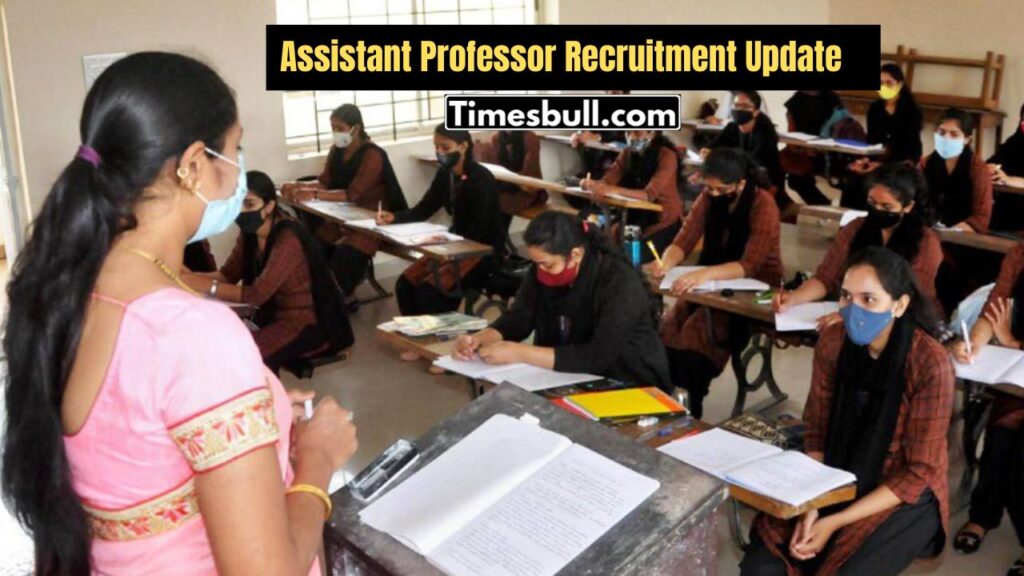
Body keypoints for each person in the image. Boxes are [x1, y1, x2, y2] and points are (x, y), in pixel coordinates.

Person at [1, 52, 357, 575]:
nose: (238, 169)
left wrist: (264, 413)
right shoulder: (193, 333)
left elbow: (136, 440)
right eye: (234, 149)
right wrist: (317, 460)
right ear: (193, 165)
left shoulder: (71, 286)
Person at [741, 247, 953, 576]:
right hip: (834, 468)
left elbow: (917, 471)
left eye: (869, 299)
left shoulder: (929, 363)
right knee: (762, 566)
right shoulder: (833, 342)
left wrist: (834, 521)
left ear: (899, 305)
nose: (854, 310)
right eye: (846, 297)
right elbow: (817, 431)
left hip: (900, 489)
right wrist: (811, 504)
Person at [453, 211, 671, 392]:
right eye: (536, 263)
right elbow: (520, 317)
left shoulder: (619, 282)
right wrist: (481, 338)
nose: (540, 271)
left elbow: (598, 355)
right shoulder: (542, 269)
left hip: (629, 381)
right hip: (568, 376)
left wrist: (520, 353)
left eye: (547, 265)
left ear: (575, 254)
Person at [647, 148, 783, 418]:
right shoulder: (709, 197)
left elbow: (750, 265)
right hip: (710, 282)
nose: (713, 194)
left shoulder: (763, 204)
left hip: (752, 288)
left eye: (721, 189)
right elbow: (684, 239)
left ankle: (689, 409)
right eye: (709, 188)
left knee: (695, 341)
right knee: (667, 332)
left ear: (741, 183)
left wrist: (703, 275)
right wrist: (666, 262)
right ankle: (665, 404)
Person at [184, 171, 354, 374]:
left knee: (251, 355)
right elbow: (227, 275)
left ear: (269, 206)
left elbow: (257, 294)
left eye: (249, 204)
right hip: (272, 315)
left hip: (304, 322)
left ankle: (271, 395)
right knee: (223, 340)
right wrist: (184, 277)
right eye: (237, 204)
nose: (241, 211)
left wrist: (205, 285)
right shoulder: (250, 234)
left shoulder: (288, 239)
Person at [775, 162, 943, 322]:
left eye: (887, 207)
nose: (877, 210)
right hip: (857, 310)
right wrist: (794, 298)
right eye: (872, 202)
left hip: (908, 319)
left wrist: (851, 317)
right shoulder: (855, 228)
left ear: (908, 206)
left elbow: (910, 298)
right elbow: (825, 278)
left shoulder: (926, 243)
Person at [377, 123, 507, 321]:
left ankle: (433, 335)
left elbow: (479, 231)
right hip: (454, 245)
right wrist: (395, 217)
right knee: (404, 284)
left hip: (482, 253)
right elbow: (425, 207)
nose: (439, 152)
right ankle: (414, 333)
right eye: (436, 147)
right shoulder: (445, 174)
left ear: (463, 146)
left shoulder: (481, 179)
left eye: (445, 147)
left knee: (428, 292)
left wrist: (445, 241)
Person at [280, 103, 407, 296]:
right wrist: (298, 186)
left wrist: (313, 194)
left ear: (356, 128)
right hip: (344, 216)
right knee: (315, 246)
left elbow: (352, 194)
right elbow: (324, 182)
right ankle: (319, 298)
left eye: (340, 128)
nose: (336, 133)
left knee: (344, 255)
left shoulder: (373, 155)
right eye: (333, 128)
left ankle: (339, 298)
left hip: (371, 220)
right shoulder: (336, 150)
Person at [951, 241, 1024, 575]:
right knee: (999, 439)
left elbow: (1005, 332)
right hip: (1017, 372)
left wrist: (1012, 342)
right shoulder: (1020, 253)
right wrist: (974, 342)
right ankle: (982, 517)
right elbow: (993, 310)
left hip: (1017, 351)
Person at [923, 107, 995, 314]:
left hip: (965, 242)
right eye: (941, 132)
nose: (946, 138)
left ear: (967, 139)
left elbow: (982, 216)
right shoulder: (926, 163)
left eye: (954, 134)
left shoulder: (977, 168)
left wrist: (950, 233)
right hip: (931, 233)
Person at [582, 129, 684, 261]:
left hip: (662, 221)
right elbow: (608, 180)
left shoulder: (667, 156)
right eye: (628, 133)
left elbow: (648, 195)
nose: (631, 137)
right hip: (634, 215)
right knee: (601, 243)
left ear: (652, 133)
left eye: (637, 133)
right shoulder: (627, 153)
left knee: (632, 256)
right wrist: (591, 184)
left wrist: (610, 190)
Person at [840, 64, 923, 210]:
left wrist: (882, 165)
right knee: (853, 180)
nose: (884, 86)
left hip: (901, 163)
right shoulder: (875, 108)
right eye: (880, 83)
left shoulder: (912, 110)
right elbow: (872, 141)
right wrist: (866, 160)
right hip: (878, 159)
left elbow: (911, 147)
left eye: (888, 83)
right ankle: (850, 219)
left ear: (899, 84)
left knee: (876, 180)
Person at [702, 91, 787, 214]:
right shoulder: (732, 127)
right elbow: (712, 146)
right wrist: (706, 152)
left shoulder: (765, 130)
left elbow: (755, 164)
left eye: (745, 106)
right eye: (736, 106)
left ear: (756, 111)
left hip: (764, 180)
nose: (739, 110)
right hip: (740, 176)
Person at [781, 90, 844, 206]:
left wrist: (816, 146)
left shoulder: (831, 100)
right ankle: (781, 205)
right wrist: (794, 145)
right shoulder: (796, 99)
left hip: (824, 150)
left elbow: (837, 129)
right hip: (800, 148)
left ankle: (823, 205)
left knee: (797, 180)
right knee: (770, 166)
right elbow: (791, 128)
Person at [481, 129, 547, 230]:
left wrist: (511, 180)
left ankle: (498, 237)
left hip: (525, 189)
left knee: (500, 204)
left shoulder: (530, 138)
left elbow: (530, 173)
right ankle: (496, 236)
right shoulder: (495, 137)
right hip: (503, 186)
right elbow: (494, 168)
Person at [987, 101, 1024, 232]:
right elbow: (995, 161)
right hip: (1004, 207)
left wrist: (1008, 180)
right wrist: (991, 169)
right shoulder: (1015, 141)